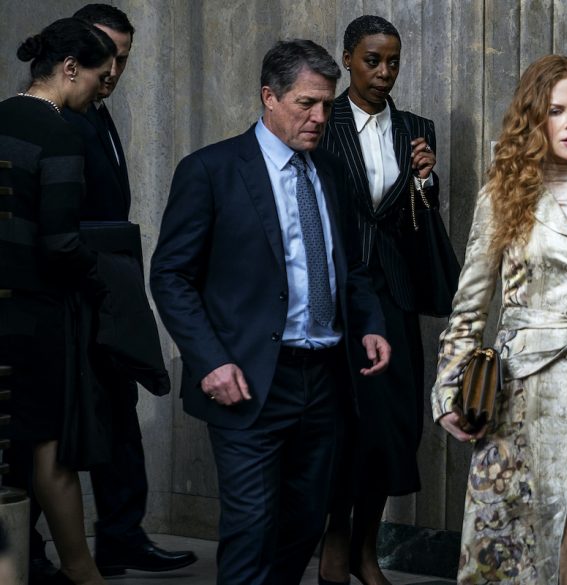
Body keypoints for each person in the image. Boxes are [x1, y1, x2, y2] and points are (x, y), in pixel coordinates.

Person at [149, 39, 391, 585]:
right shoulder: (211, 170)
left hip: (325, 379)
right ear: (269, 96)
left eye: (327, 105)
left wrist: (370, 324)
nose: (320, 117)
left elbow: (350, 266)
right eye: (307, 103)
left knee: (305, 524)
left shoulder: (328, 171)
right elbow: (169, 276)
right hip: (250, 379)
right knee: (252, 526)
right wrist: (209, 360)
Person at [432, 54, 567, 584]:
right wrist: (449, 389)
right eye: (556, 111)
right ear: (534, 118)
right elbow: (470, 303)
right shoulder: (503, 195)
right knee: (517, 543)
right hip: (520, 394)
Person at [59, 4, 196, 577]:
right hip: (71, 290)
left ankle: (120, 537)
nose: (114, 68)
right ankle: (40, 551)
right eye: (106, 54)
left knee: (119, 411)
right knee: (58, 423)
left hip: (108, 291)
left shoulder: (99, 110)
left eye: (124, 58)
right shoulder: (57, 115)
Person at [316, 15, 441, 585]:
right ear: (346, 59)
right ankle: (335, 540)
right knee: (341, 425)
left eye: (393, 61)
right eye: (372, 60)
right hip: (332, 292)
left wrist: (425, 182)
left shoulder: (417, 128)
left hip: (392, 295)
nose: (384, 73)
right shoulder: (323, 118)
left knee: (392, 429)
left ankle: (367, 545)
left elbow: (418, 221)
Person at [0, 17, 116, 585]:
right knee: (50, 450)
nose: (103, 86)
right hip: (35, 314)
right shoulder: (62, 133)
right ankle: (82, 570)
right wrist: (103, 283)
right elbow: (61, 242)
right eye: (99, 75)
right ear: (69, 69)